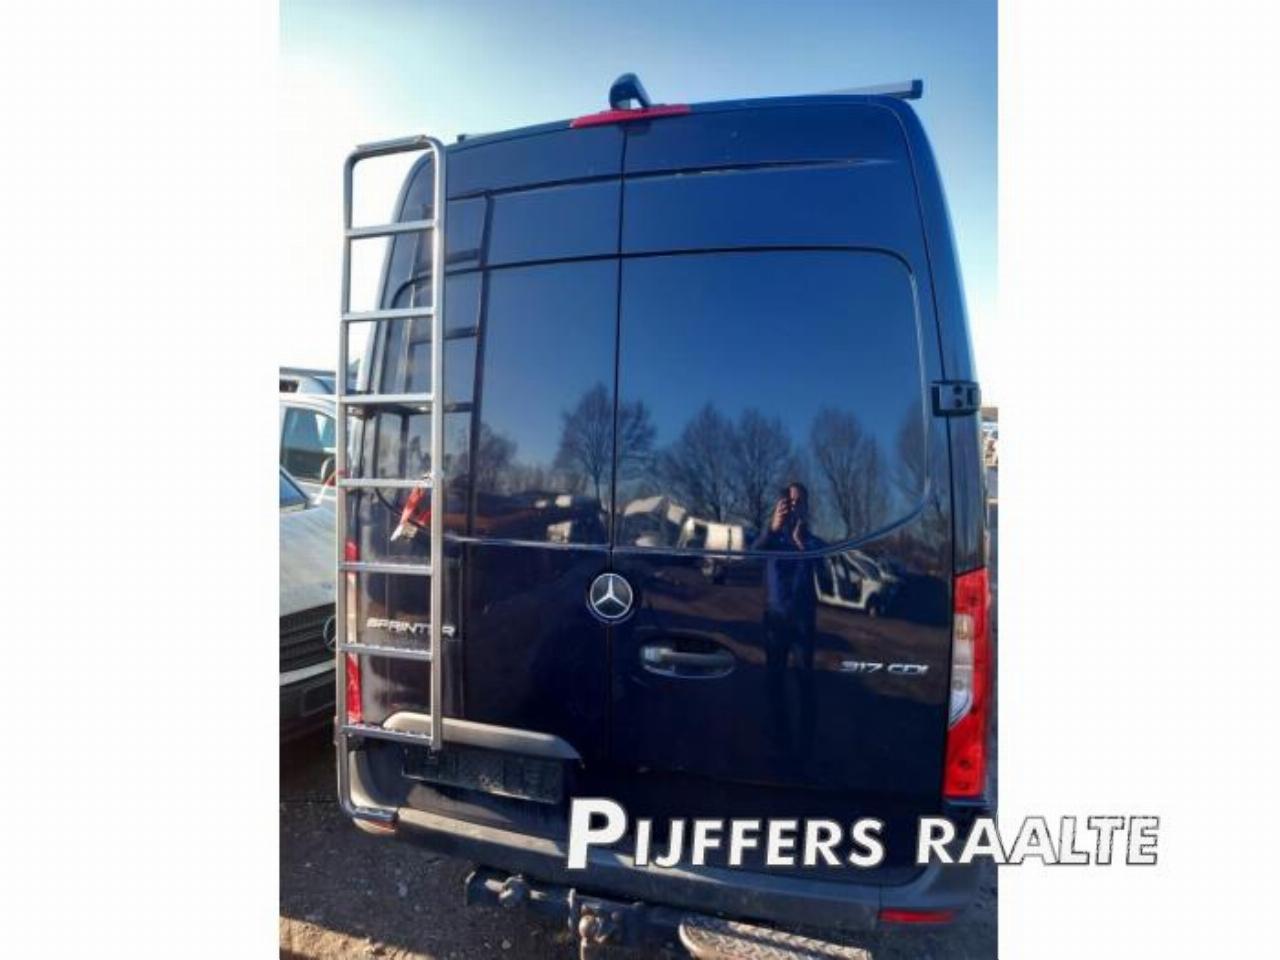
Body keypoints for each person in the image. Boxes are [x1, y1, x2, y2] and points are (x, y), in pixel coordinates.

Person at [754, 483, 821, 765]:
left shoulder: (814, 542)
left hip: (803, 621)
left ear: (806, 507)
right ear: (781, 505)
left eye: (799, 502)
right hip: (776, 619)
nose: (794, 506)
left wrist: (801, 546)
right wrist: (772, 528)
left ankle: (806, 747)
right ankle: (779, 742)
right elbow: (753, 554)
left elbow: (824, 577)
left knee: (805, 682)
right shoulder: (771, 538)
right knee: (775, 681)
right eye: (789, 501)